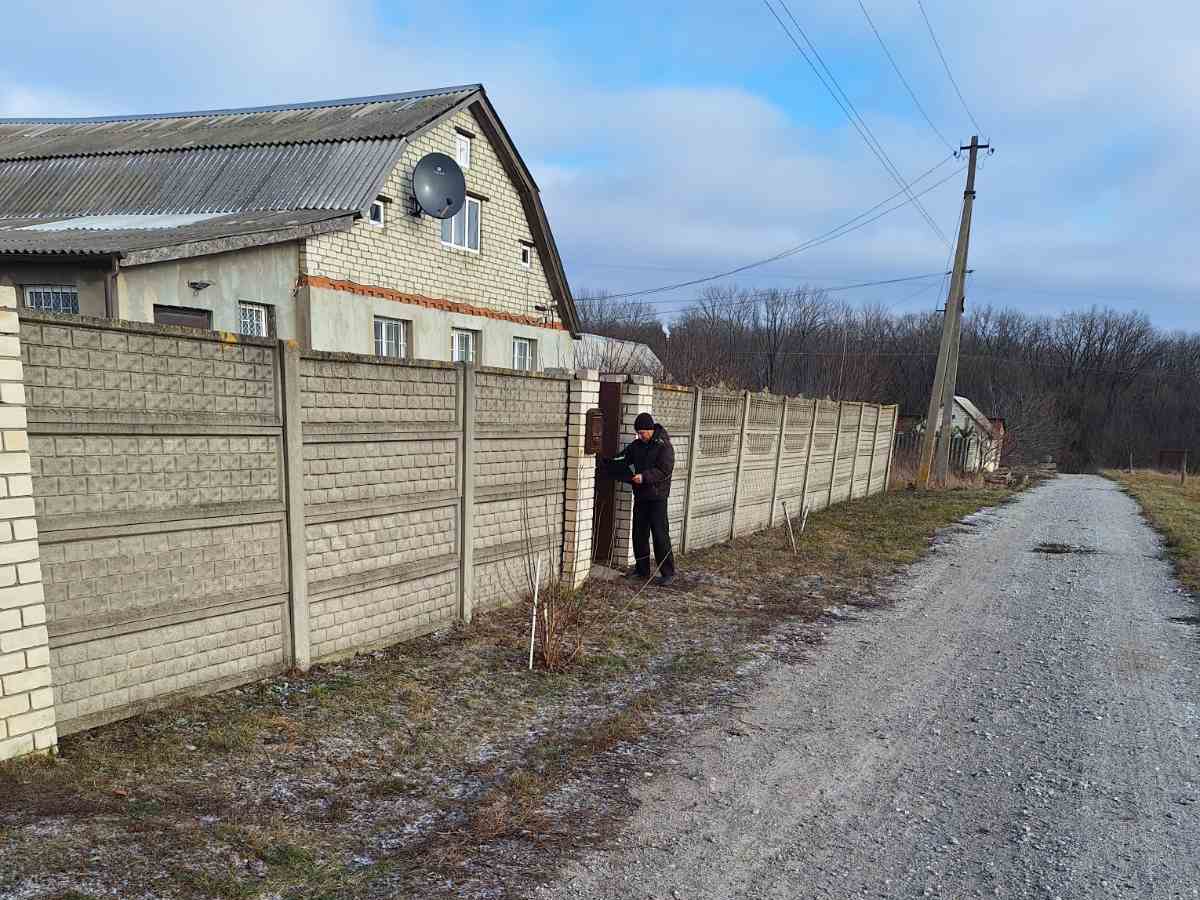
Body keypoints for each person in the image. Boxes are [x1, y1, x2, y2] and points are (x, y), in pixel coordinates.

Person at [602, 412, 676, 586]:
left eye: (642, 433)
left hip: (658, 498)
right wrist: (608, 461)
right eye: (638, 433)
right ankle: (642, 570)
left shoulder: (664, 446)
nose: (640, 436)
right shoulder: (637, 446)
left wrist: (643, 477)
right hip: (641, 496)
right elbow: (623, 457)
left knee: (660, 535)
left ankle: (668, 572)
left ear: (650, 430)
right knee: (639, 533)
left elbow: (664, 470)